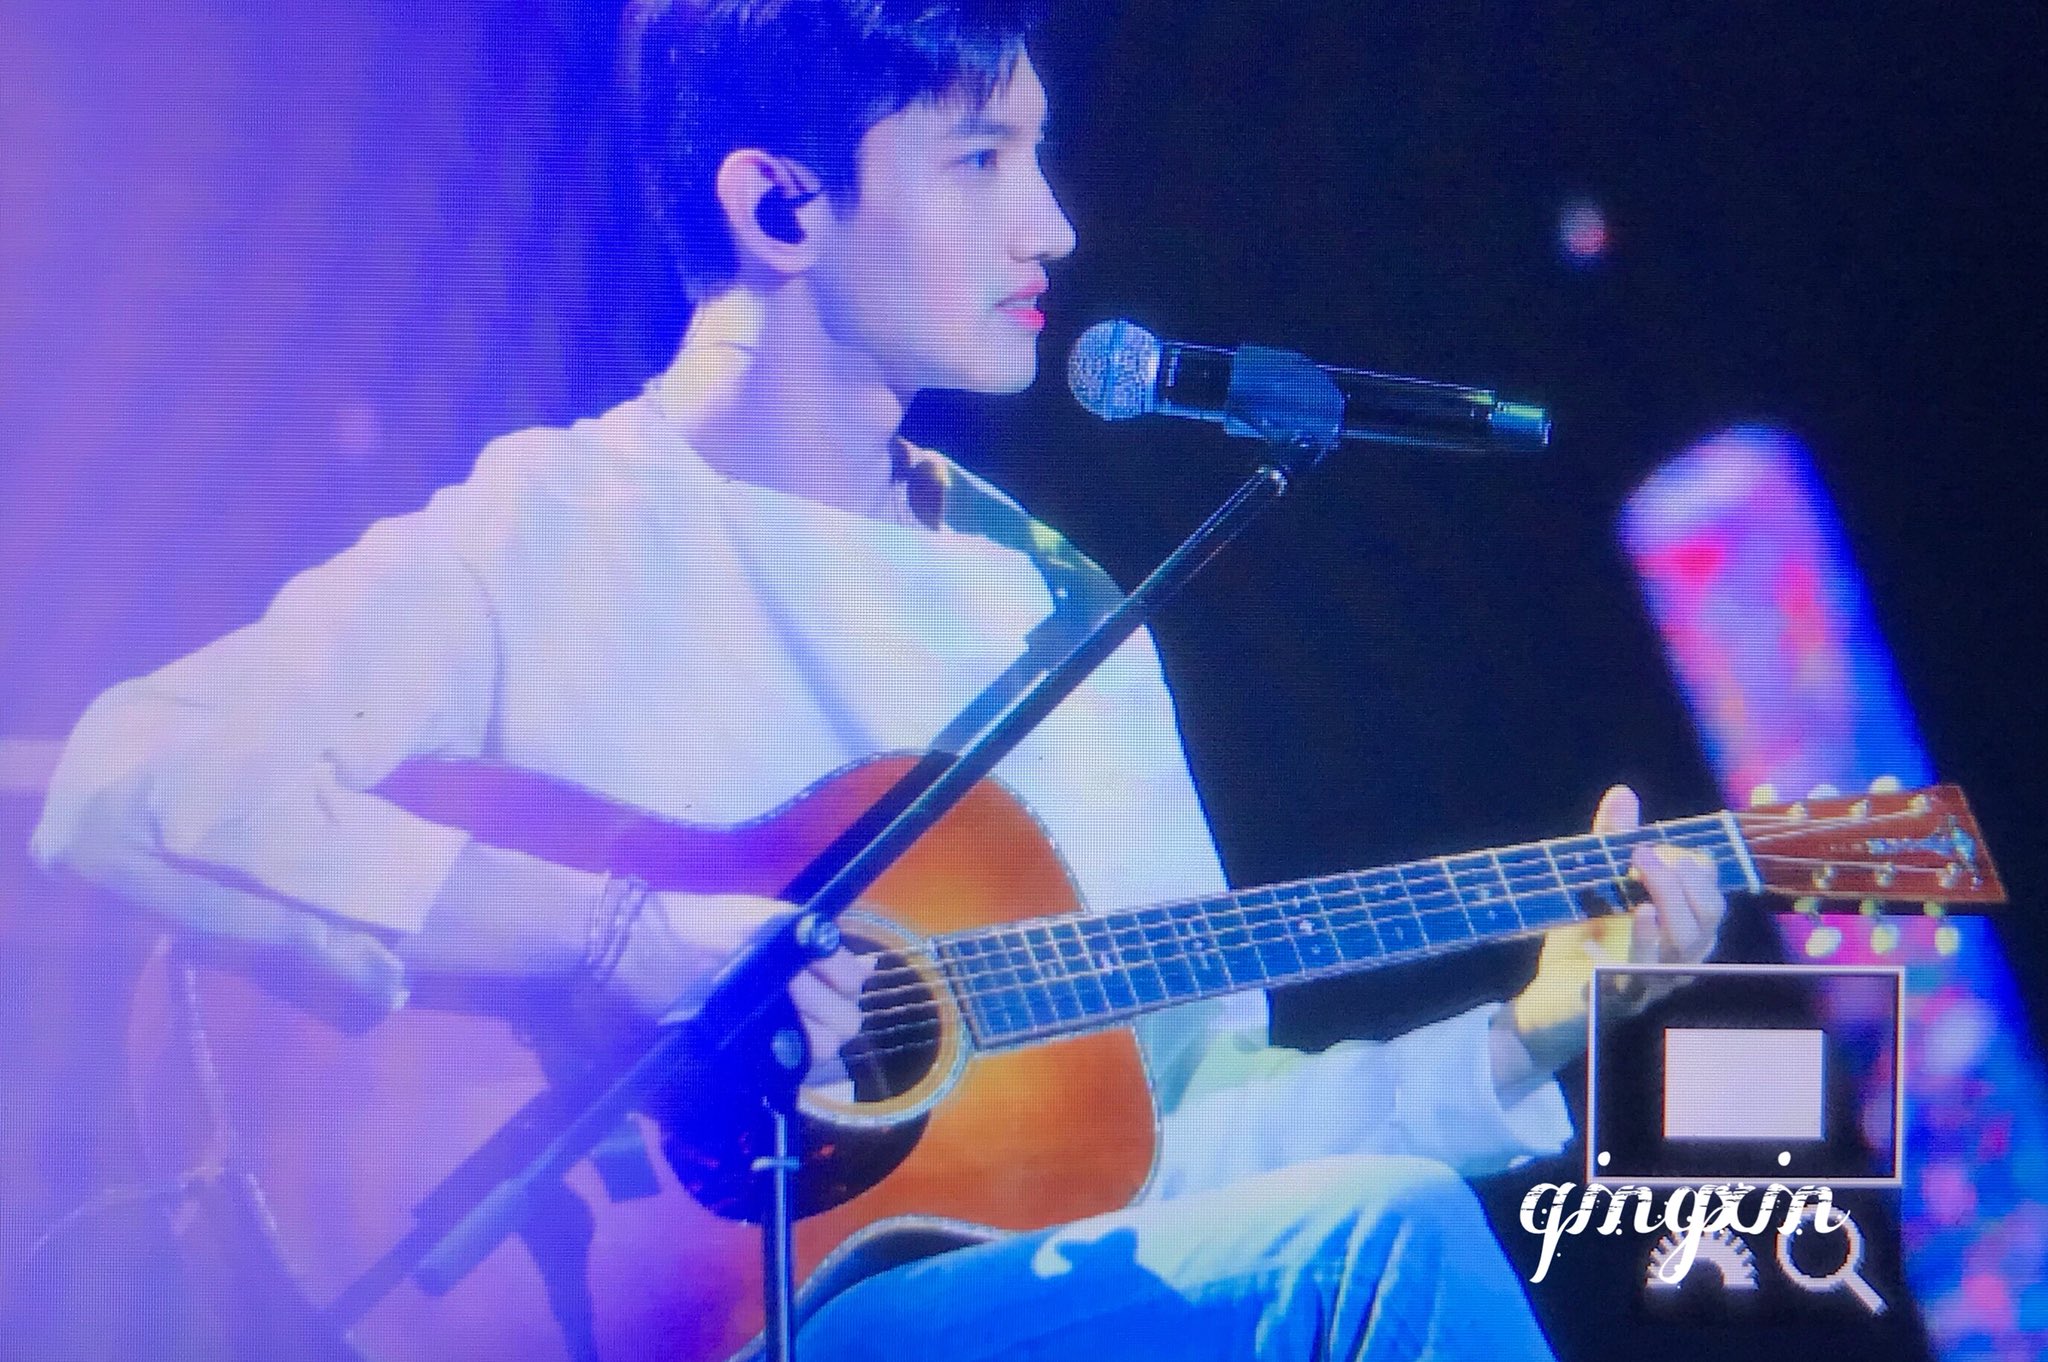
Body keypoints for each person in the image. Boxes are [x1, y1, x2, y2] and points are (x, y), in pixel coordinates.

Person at [31, 1, 1728, 1357]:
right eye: (982, 160)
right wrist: (616, 939)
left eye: (1038, 155)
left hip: (978, 1309)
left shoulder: (1059, 616)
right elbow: (127, 784)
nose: (1053, 226)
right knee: (1387, 1242)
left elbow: (1181, 1147)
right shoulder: (545, 539)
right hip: (632, 1313)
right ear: (781, 205)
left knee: (1381, 1233)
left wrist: (1524, 1038)